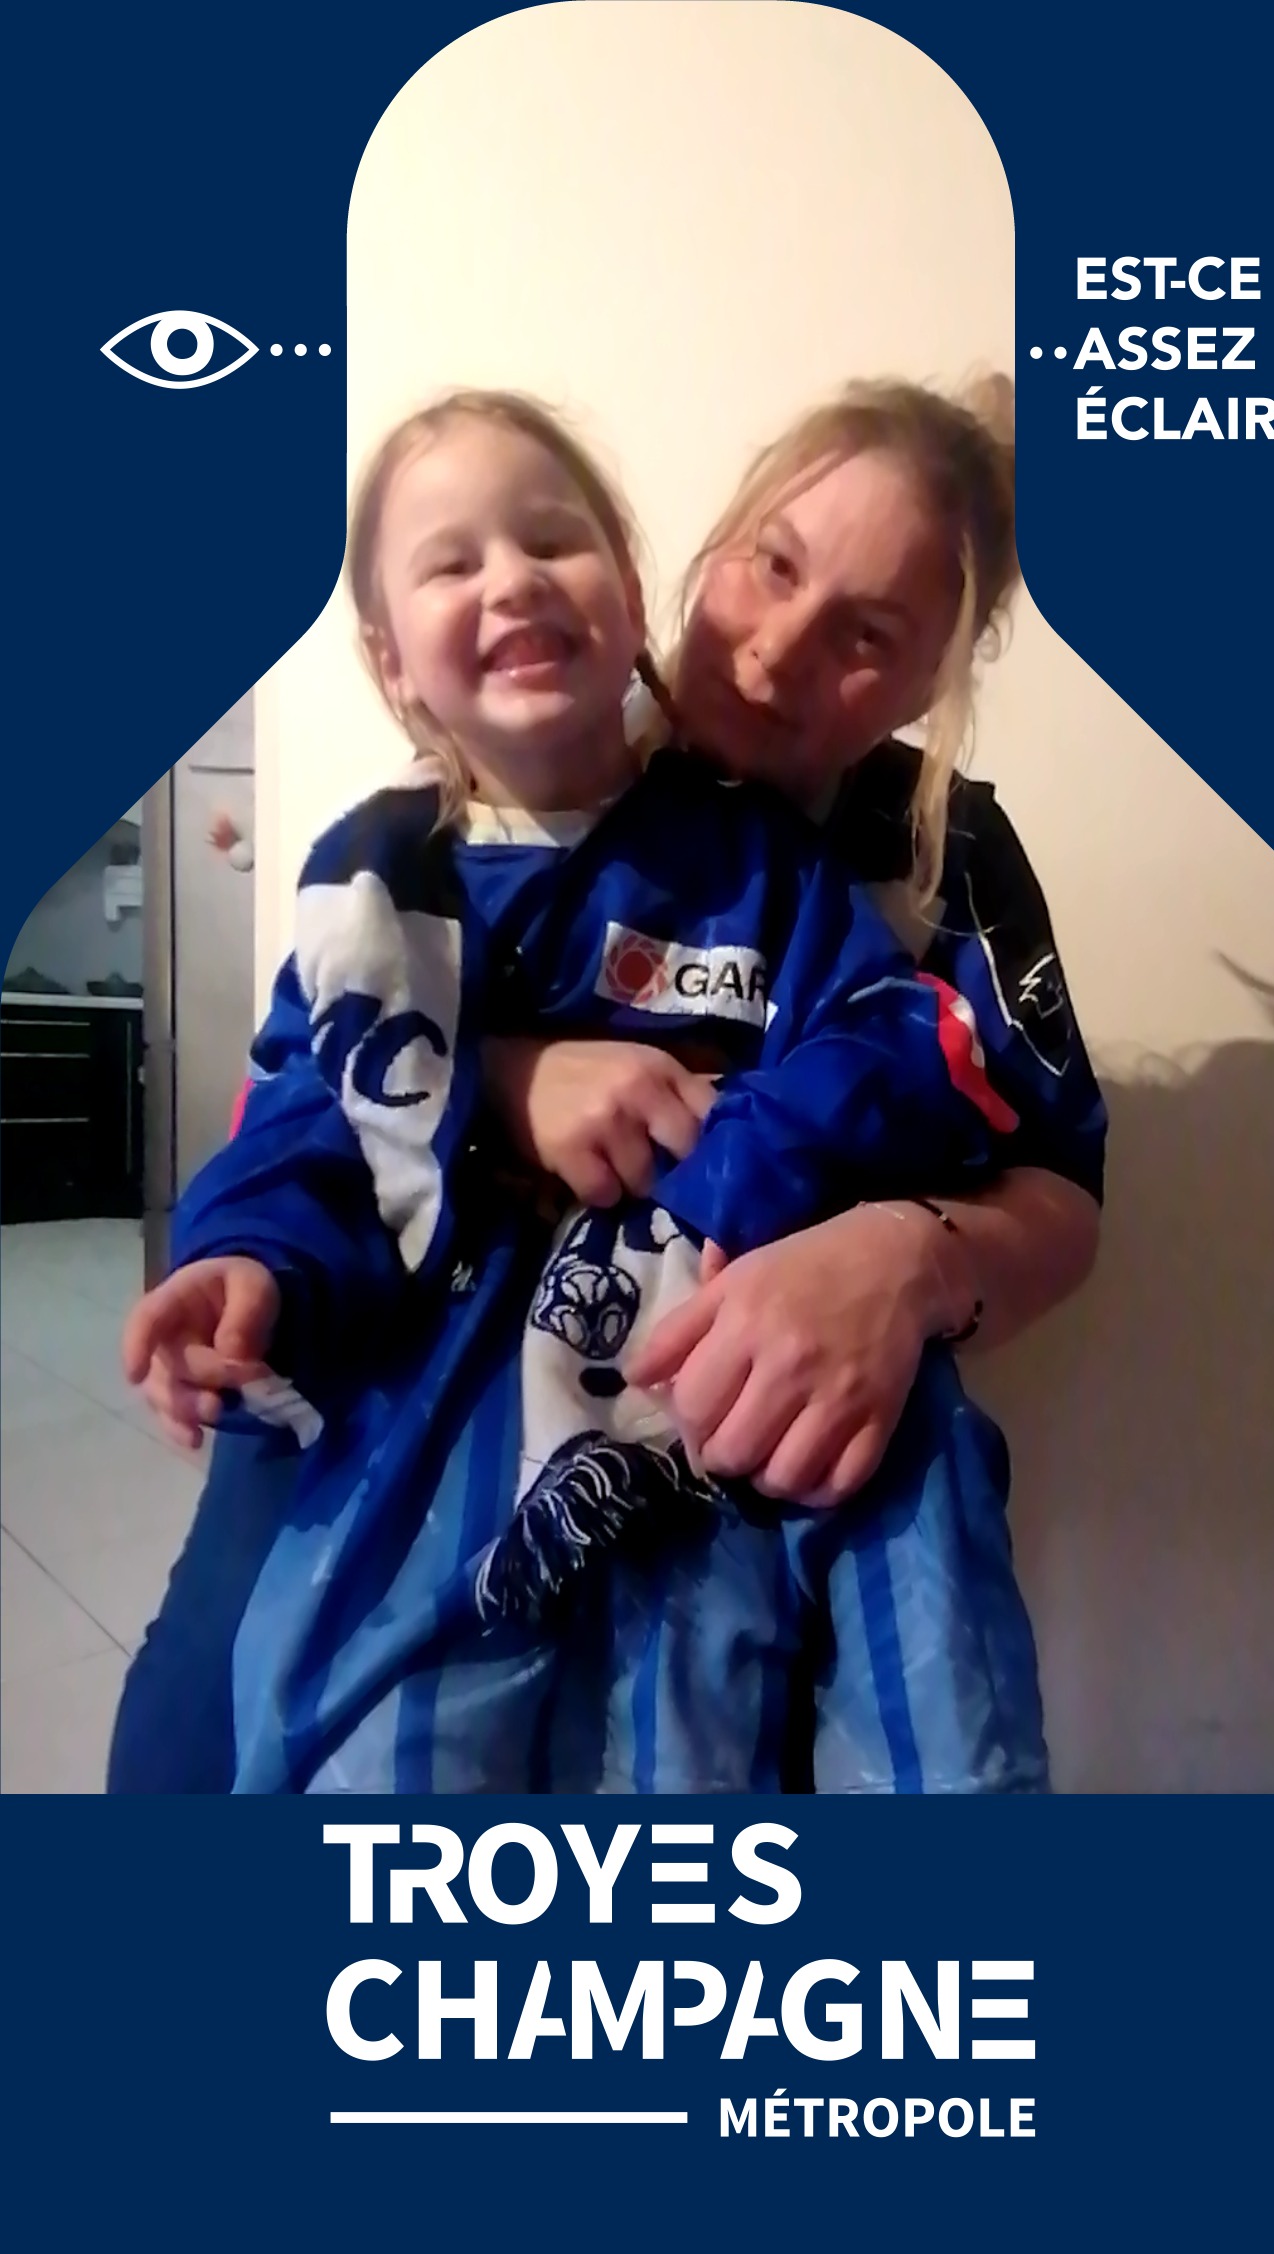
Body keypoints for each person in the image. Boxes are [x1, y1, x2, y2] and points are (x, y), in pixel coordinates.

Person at [108, 375, 1105, 1796]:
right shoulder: (445, 818)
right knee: (225, 1742)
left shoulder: (909, 865)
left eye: (867, 635)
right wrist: (496, 1087)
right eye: (772, 565)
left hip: (725, 1385)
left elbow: (1039, 1169)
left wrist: (892, 1252)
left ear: (933, 678)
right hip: (424, 1369)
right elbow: (313, 1087)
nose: (775, 650)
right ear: (693, 560)